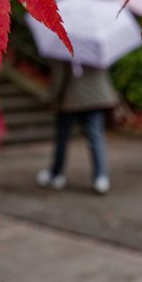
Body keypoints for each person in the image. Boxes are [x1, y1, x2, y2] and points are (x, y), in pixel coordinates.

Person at [36, 60, 117, 194]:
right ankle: (101, 177)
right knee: (96, 137)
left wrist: (51, 99)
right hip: (96, 97)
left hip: (71, 98)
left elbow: (59, 77)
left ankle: (56, 174)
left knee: (62, 138)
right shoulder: (95, 45)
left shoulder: (63, 48)